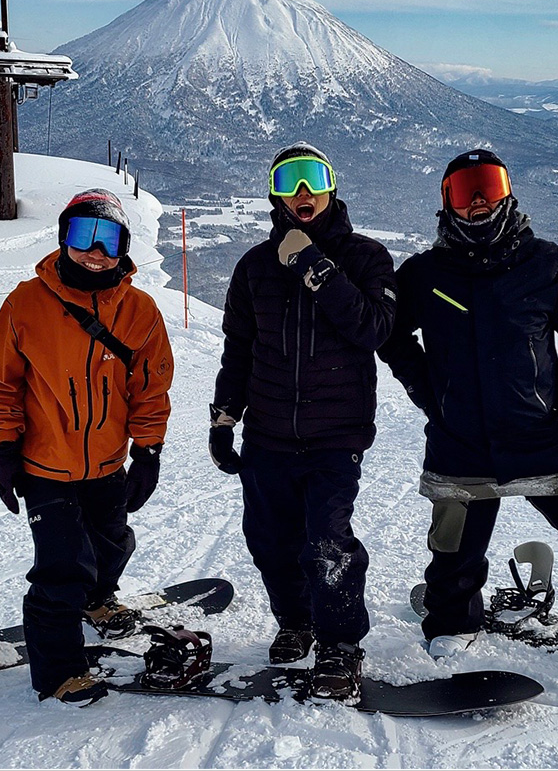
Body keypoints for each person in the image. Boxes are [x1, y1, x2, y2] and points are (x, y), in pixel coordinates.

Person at [378, 149, 558, 671]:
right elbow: (392, 334)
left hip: (539, 431)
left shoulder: (544, 263)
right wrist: (428, 391)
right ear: (445, 202)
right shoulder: (424, 274)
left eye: (488, 188)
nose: (477, 203)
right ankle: (452, 623)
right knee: (452, 545)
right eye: (464, 191)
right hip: (460, 437)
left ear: (508, 193)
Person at [208, 142, 396, 701]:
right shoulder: (254, 267)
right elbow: (238, 349)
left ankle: (340, 644)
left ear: (333, 186)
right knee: (269, 539)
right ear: (275, 194)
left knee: (327, 542)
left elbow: (373, 330)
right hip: (267, 433)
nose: (305, 192)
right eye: (291, 181)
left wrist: (315, 265)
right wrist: (224, 417)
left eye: (314, 177)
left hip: (336, 436)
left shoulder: (365, 258)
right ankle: (296, 621)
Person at [0, 188, 173, 705]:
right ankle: (59, 670)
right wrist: (3, 447)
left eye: (107, 239)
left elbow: (150, 389)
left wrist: (147, 451)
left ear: (123, 248)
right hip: (45, 466)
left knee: (111, 545)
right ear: (63, 239)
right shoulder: (26, 304)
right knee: (61, 568)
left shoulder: (140, 312)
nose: (93, 251)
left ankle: (98, 600)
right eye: (81, 236)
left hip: (107, 464)